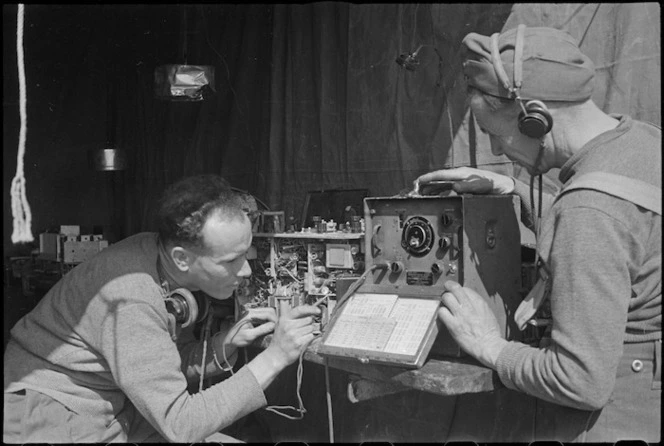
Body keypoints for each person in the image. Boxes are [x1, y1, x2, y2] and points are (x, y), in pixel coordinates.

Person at [415, 25, 661, 442]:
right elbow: (621, 229)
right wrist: (512, 190)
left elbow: (579, 381)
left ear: (534, 117)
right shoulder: (641, 142)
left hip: (610, 421)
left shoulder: (589, 209)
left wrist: (489, 345)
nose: (495, 151)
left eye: (495, 132)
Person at [3, 174, 322, 443]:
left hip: (105, 403)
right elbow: (181, 424)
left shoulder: (156, 253)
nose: (247, 271)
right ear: (183, 258)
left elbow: (156, 366)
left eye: (247, 254)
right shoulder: (132, 298)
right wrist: (276, 356)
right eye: (230, 261)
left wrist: (223, 345)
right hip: (49, 414)